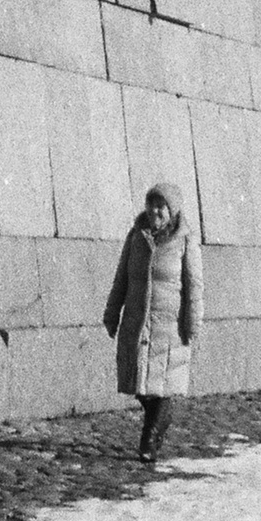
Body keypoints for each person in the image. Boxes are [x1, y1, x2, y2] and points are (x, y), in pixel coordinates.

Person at [105, 183, 200, 463]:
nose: (155, 211)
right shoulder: (136, 237)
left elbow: (194, 287)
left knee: (160, 384)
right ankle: (160, 419)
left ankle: (149, 440)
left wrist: (192, 325)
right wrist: (112, 314)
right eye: (151, 204)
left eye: (161, 206)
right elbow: (121, 278)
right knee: (141, 385)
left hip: (168, 327)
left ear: (172, 211)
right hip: (136, 323)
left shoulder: (185, 241)